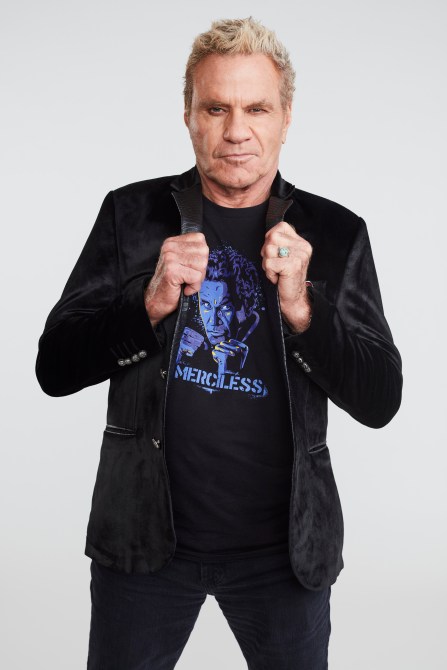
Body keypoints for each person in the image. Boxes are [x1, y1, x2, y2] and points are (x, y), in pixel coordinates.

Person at [35, 17, 403, 670]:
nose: (236, 131)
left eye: (256, 108)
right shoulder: (131, 216)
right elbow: (54, 367)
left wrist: (303, 308)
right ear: (188, 115)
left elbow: (380, 399)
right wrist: (147, 304)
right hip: (144, 541)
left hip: (284, 552)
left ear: (285, 118)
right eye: (216, 108)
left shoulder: (334, 232)